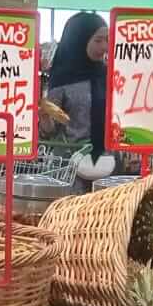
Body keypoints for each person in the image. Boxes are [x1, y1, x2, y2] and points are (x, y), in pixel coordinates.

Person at [44, 12, 115, 182]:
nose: (105, 46)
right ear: (79, 40)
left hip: (107, 166)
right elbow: (49, 131)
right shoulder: (62, 79)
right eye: (98, 40)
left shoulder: (110, 74)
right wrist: (45, 118)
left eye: (107, 40)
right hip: (70, 171)